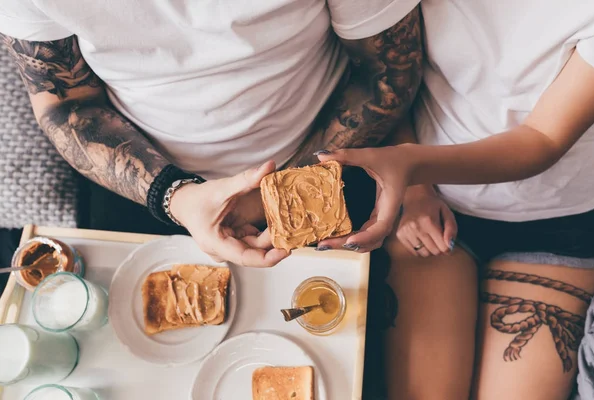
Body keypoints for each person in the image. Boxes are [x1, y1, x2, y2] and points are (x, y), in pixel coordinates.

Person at [0, 1, 423, 398]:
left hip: (320, 170)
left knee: (342, 359)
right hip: (142, 182)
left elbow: (389, 71)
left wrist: (281, 191)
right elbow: (66, 104)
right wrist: (176, 196)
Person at [314, 2, 594, 399]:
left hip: (555, 222)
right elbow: (388, 77)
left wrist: (410, 168)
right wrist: (413, 189)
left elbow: (543, 139)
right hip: (428, 201)